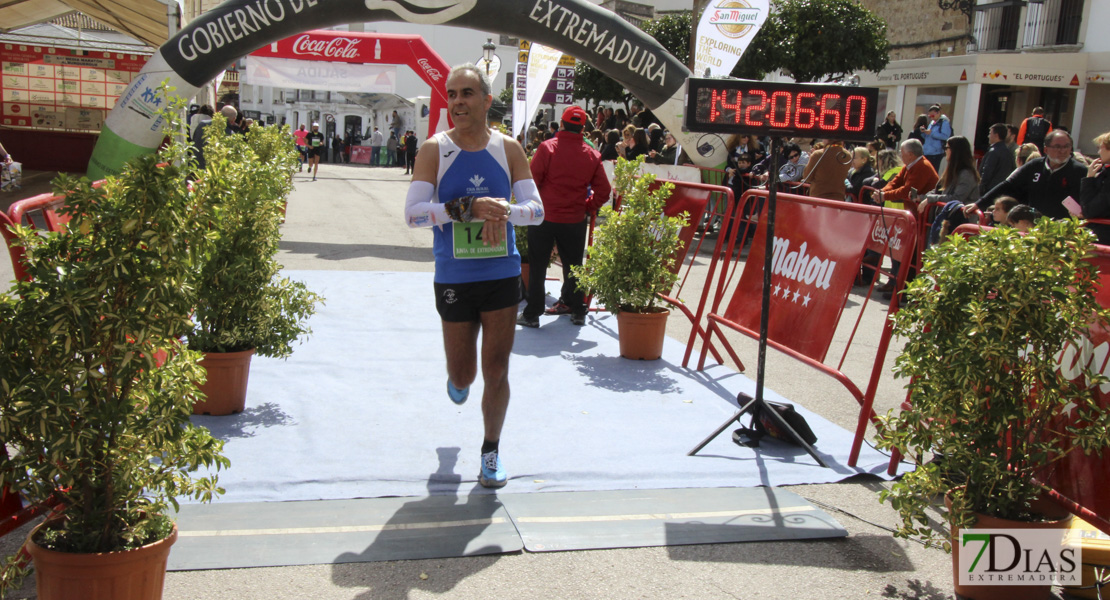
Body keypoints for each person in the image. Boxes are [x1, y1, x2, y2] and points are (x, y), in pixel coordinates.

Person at [403, 64, 544, 489]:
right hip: (454, 278)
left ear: (486, 100)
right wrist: (465, 208)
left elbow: (536, 212)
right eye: (453, 94)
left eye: (467, 93)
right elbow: (411, 216)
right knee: (465, 375)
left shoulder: (508, 149)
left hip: (500, 272)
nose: (458, 101)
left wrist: (505, 211)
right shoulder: (434, 149)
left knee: (497, 370)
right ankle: (456, 377)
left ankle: (491, 451)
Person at [518, 105, 611, 328]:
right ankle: (578, 310)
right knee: (574, 266)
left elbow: (531, 183)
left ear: (561, 123)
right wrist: (587, 206)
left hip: (544, 217)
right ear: (582, 128)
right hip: (574, 218)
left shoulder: (547, 148)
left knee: (538, 265)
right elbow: (604, 191)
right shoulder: (592, 154)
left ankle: (532, 314)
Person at [969, 130, 1086, 221]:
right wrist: (979, 204)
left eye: (1067, 146)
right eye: (1057, 147)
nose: (1063, 151)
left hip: (1061, 230)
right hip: (1032, 228)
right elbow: (1008, 185)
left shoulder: (1079, 171)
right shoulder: (1035, 165)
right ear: (1046, 149)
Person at [880, 139, 939, 298]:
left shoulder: (922, 167)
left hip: (921, 217)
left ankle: (908, 291)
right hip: (912, 214)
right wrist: (883, 192)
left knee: (914, 254)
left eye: (903, 153)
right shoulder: (909, 166)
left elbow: (906, 190)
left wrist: (884, 195)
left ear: (911, 154)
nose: (900, 155)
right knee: (906, 251)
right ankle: (898, 285)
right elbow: (895, 182)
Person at [920, 135, 980, 214]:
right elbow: (939, 190)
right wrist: (921, 197)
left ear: (955, 151)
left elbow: (957, 198)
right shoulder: (952, 170)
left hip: (960, 221)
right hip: (945, 218)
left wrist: (930, 199)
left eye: (947, 148)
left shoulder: (967, 174)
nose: (945, 151)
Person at [1079, 131, 1110, 244]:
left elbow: (1090, 210)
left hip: (1103, 237)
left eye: (1100, 147)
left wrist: (1089, 178)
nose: (1098, 152)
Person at [979, 123, 1015, 195]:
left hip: (990, 191)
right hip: (1002, 190)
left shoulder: (993, 152)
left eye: (990, 133)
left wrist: (981, 187)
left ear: (996, 135)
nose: (988, 136)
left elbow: (987, 172)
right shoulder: (1009, 152)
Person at [922, 104, 952, 172]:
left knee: (933, 171)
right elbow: (928, 136)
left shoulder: (944, 123)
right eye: (930, 116)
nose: (931, 117)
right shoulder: (932, 123)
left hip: (936, 152)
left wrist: (932, 133)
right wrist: (924, 132)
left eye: (933, 115)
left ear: (938, 113)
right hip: (927, 152)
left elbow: (946, 136)